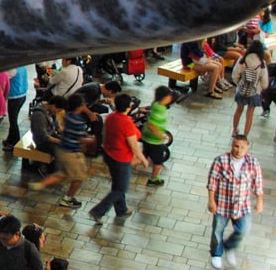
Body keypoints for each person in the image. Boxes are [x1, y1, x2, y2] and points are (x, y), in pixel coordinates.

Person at [206, 134, 264, 269]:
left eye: (242, 147)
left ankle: (229, 246)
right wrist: (211, 201)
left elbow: (258, 183)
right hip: (223, 203)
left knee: (244, 229)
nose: (239, 150)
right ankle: (216, 253)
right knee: (217, 230)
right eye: (236, 146)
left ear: (247, 148)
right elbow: (212, 182)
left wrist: (260, 201)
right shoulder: (221, 161)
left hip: (242, 205)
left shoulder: (253, 163)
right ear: (232, 145)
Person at [29, 93, 97, 207]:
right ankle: (67, 198)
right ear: (53, 105)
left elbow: (59, 128)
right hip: (48, 144)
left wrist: (64, 137)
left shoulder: (67, 115)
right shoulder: (39, 115)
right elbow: (43, 136)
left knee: (64, 173)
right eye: (58, 109)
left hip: (63, 146)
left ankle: (42, 184)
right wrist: (91, 140)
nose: (58, 112)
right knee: (78, 176)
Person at [89, 93, 148, 221]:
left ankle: (122, 209)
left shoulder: (111, 117)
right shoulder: (126, 122)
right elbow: (133, 145)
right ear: (129, 106)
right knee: (121, 188)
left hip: (109, 154)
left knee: (117, 184)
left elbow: (104, 134)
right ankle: (98, 211)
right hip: (121, 158)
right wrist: (143, 158)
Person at [231, 40, 269, 137]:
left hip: (241, 89)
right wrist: (261, 87)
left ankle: (235, 130)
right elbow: (264, 83)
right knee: (250, 114)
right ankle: (245, 135)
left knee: (238, 110)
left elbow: (235, 75)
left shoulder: (242, 59)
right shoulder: (262, 63)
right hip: (254, 91)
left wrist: (238, 83)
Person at [141, 86, 174, 186]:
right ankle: (154, 179)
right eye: (169, 96)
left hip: (146, 138)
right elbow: (151, 125)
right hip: (154, 141)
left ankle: (124, 167)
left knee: (143, 156)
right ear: (164, 98)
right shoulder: (160, 109)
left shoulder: (155, 104)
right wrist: (161, 135)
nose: (171, 98)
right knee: (158, 162)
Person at [1, 65, 31, 151]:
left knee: (13, 120)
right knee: (13, 119)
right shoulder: (22, 65)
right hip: (22, 94)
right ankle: (10, 139)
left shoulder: (12, 68)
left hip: (15, 96)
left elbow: (4, 77)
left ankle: (14, 143)